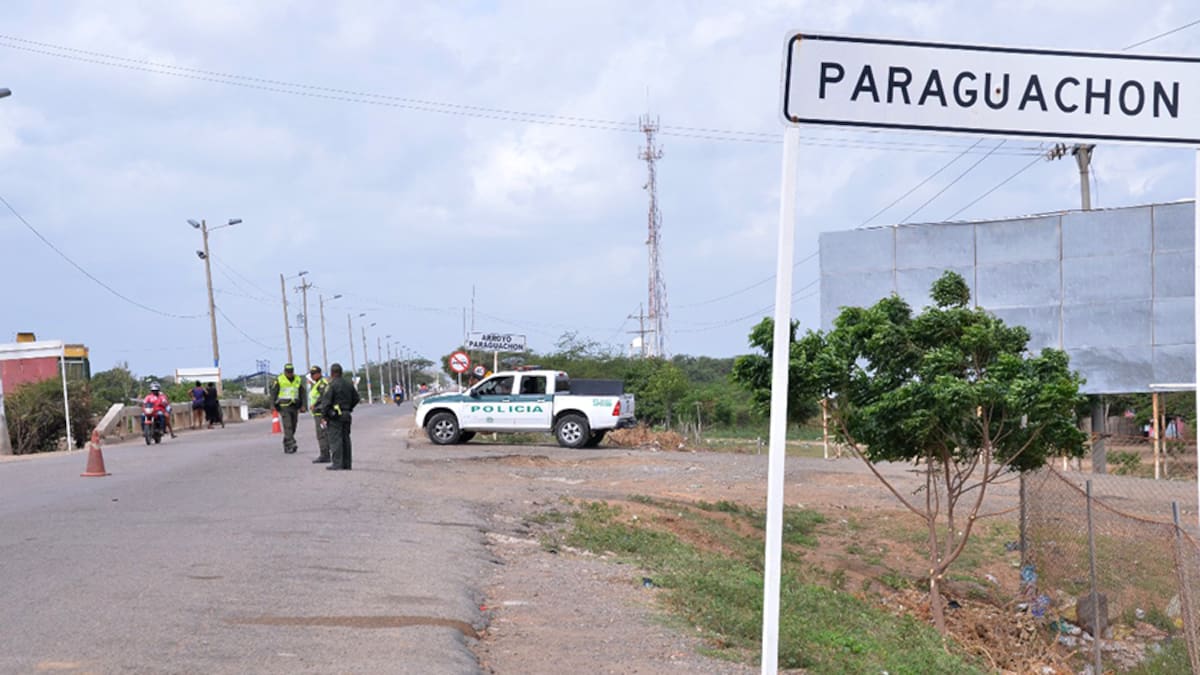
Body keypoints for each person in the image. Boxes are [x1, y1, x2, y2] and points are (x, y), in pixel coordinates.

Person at [316, 362, 360, 471]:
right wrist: (349, 407)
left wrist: (324, 416)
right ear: (341, 372)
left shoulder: (331, 385)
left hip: (335, 416)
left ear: (332, 373)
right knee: (346, 439)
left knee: (336, 439)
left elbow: (326, 402)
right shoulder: (348, 384)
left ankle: (337, 463)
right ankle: (347, 464)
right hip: (346, 414)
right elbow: (356, 398)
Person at [269, 364, 307, 454]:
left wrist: (304, 405)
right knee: (288, 426)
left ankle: (286, 443)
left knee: (293, 426)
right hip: (284, 406)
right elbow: (273, 394)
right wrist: (272, 406)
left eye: (291, 372)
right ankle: (291, 444)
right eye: (288, 372)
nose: (290, 374)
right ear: (285, 371)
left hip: (294, 406)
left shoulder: (298, 379)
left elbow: (302, 393)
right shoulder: (279, 379)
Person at [307, 365, 331, 463]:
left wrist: (315, 404)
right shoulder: (317, 384)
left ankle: (325, 455)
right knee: (323, 433)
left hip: (320, 412)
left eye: (314, 374)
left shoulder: (322, 384)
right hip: (318, 412)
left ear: (319, 374)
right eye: (311, 374)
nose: (313, 376)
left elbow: (323, 396)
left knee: (322, 434)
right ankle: (326, 453)